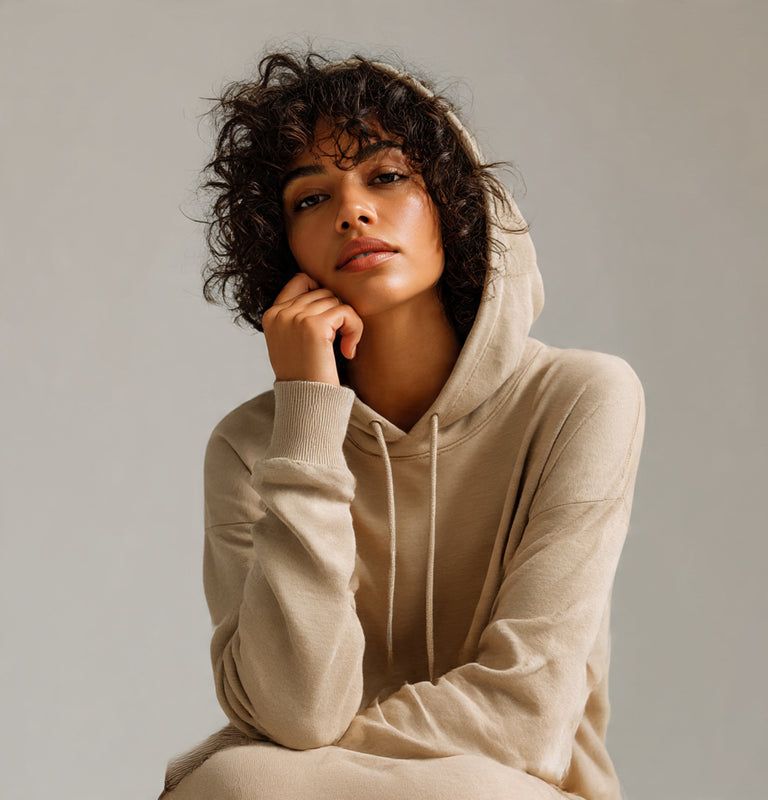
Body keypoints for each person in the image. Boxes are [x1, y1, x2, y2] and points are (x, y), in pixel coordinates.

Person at [158, 51, 645, 800]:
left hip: (513, 788)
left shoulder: (579, 399)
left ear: (451, 201)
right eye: (309, 200)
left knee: (244, 782)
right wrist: (309, 423)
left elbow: (523, 715)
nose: (352, 210)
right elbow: (295, 711)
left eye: (386, 178)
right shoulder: (250, 447)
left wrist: (281, 766)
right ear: (279, 246)